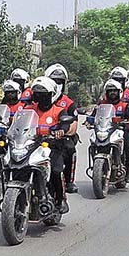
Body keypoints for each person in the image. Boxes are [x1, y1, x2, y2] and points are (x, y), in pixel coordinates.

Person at [24, 76, 78, 214]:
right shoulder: (29, 109)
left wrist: (61, 130)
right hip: (31, 145)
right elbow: (19, 122)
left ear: (51, 95)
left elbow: (65, 123)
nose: (40, 98)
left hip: (53, 146)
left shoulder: (59, 110)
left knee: (55, 171)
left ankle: (60, 200)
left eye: (44, 95)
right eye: (38, 95)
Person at [44, 63, 79, 194]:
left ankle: (69, 181)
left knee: (70, 148)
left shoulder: (68, 103)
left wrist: (62, 132)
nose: (57, 84)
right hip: (40, 137)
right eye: (54, 81)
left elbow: (74, 125)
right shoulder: (37, 100)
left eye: (60, 81)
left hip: (61, 138)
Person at [99, 79, 129, 182]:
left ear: (119, 92)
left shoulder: (125, 106)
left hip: (120, 131)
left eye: (114, 91)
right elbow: (94, 116)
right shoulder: (102, 105)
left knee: (128, 145)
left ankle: (127, 167)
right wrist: (88, 121)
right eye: (110, 91)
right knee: (95, 143)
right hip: (105, 131)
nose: (112, 93)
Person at [108, 66, 129, 166]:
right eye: (115, 80)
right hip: (108, 126)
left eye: (120, 80)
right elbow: (99, 108)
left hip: (123, 125)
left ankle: (128, 161)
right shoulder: (107, 92)